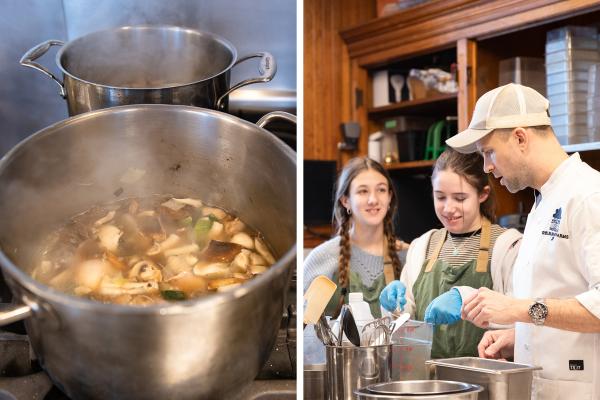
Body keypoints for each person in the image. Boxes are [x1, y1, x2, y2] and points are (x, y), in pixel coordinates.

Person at [445, 83, 600, 399]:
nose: (487, 166)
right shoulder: (544, 201)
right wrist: (520, 335)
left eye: (488, 152)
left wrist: (517, 310)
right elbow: (562, 294)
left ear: (519, 138)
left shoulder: (588, 196)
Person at [379, 148, 521, 358]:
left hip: (483, 376)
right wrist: (395, 307)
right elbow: (407, 322)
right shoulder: (422, 246)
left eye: (460, 198)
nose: (448, 208)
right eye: (440, 197)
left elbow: (519, 318)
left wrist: (468, 300)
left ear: (483, 194)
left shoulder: (507, 246)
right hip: (429, 378)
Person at [303, 157, 402, 318]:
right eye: (363, 191)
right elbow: (303, 326)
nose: (373, 200)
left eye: (381, 190)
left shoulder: (407, 256)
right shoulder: (322, 258)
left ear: (389, 197)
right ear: (345, 201)